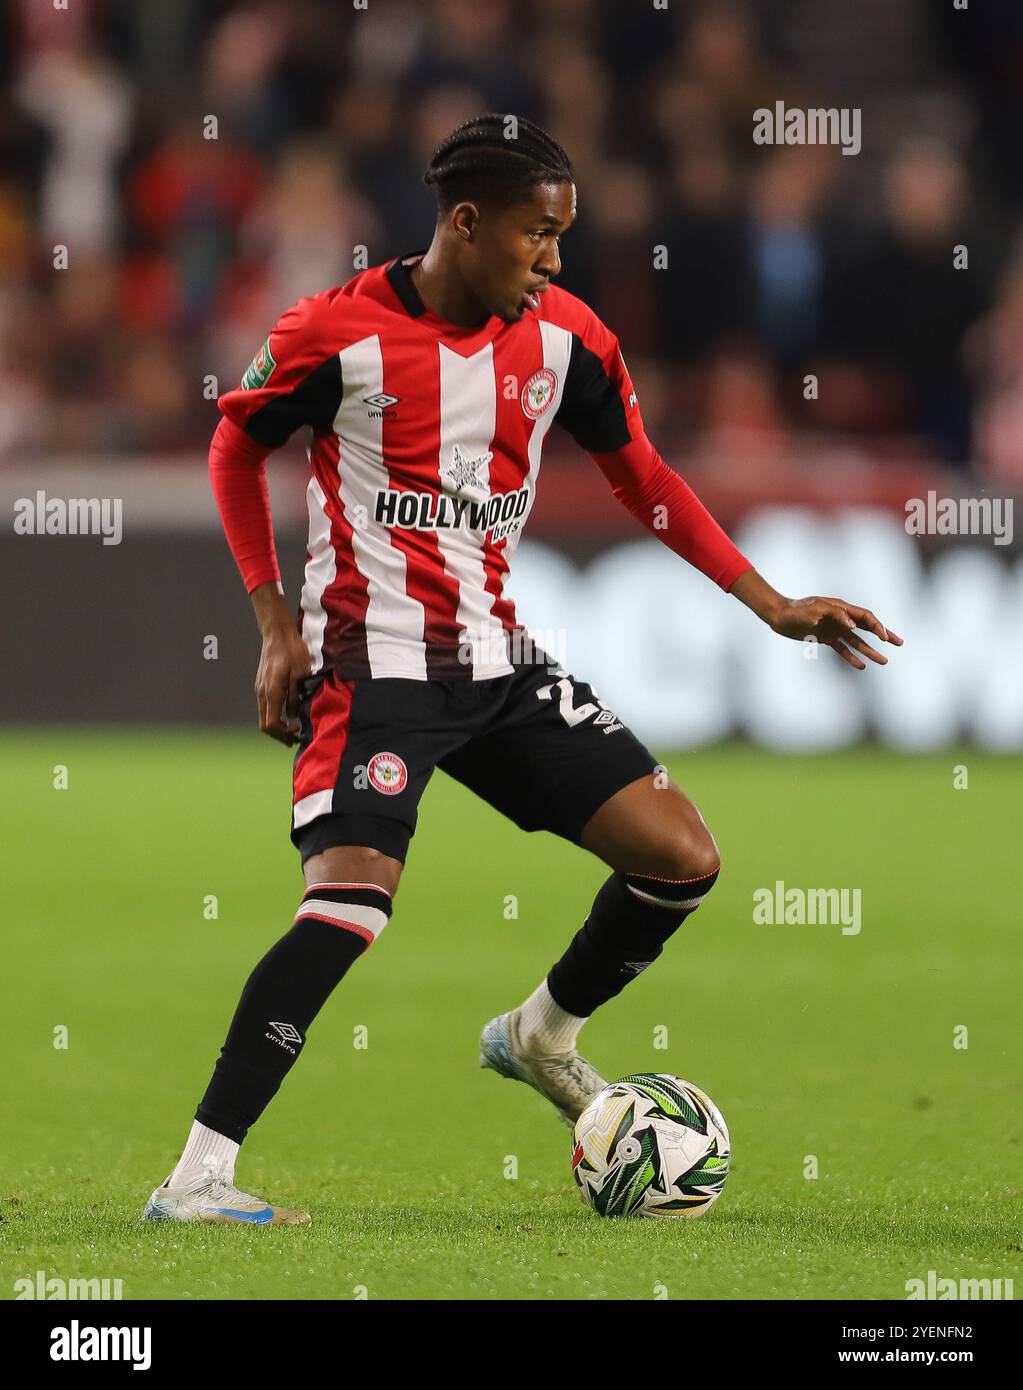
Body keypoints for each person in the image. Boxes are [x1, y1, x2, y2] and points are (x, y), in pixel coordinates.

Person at [143, 115, 901, 1225]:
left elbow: (644, 475)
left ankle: (542, 1033)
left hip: (499, 663)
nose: (553, 260)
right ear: (466, 221)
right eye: (538, 235)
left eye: (563, 238)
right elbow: (234, 443)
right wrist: (272, 622)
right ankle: (197, 1178)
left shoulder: (569, 339)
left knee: (682, 857)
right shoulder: (333, 334)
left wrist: (771, 601)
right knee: (350, 904)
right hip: (376, 666)